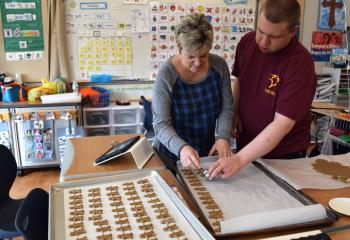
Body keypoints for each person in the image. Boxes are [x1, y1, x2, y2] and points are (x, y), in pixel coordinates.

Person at [208, 0, 316, 179]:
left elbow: (282, 124)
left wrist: (239, 159)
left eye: (274, 37)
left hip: (283, 154)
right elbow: (240, 81)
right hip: (247, 142)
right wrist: (235, 112)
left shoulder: (300, 64)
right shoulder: (248, 42)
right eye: (260, 31)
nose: (264, 42)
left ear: (292, 32)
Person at [152, 13, 234, 171]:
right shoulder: (166, 75)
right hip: (171, 155)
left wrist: (223, 137)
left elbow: (227, 107)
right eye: (191, 56)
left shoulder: (219, 66)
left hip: (207, 153)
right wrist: (182, 148)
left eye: (203, 56)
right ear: (179, 47)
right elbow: (161, 124)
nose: (197, 63)